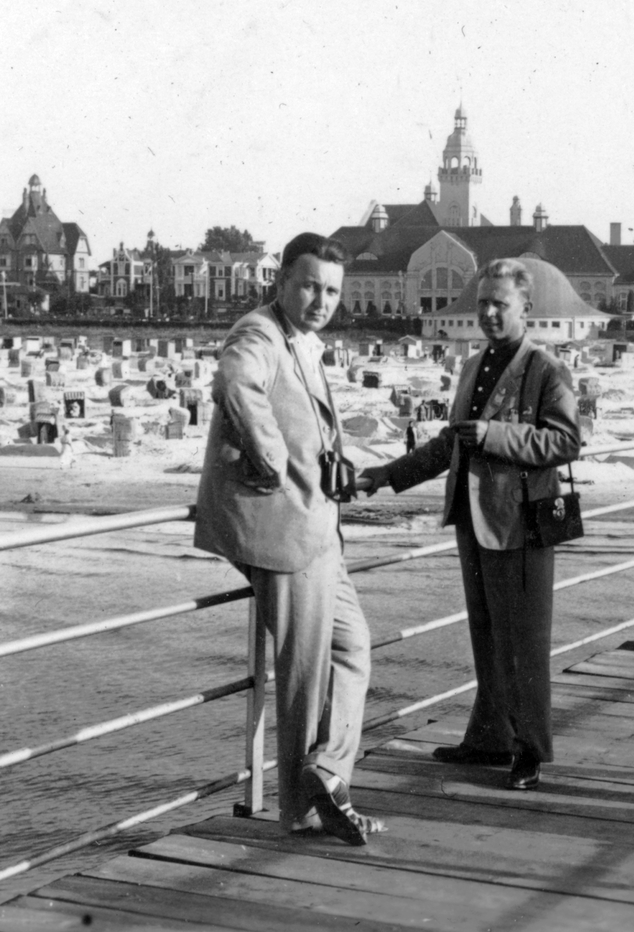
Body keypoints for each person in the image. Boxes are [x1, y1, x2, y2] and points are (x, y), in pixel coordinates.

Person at [359, 259, 581, 791]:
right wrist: (387, 475)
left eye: (499, 304)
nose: (487, 313)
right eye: (482, 302)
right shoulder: (472, 365)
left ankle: (529, 749)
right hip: (471, 515)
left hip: (520, 521)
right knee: (485, 634)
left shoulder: (547, 370)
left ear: (525, 307)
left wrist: (494, 435)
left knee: (524, 640)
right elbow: (449, 444)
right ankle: (488, 739)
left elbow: (566, 442)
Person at [192, 232, 382, 846]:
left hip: (315, 524)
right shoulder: (259, 332)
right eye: (308, 285)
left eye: (331, 290)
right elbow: (236, 382)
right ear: (282, 281)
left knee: (352, 648)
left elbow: (303, 420)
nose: (320, 299)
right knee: (303, 670)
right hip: (281, 526)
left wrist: (332, 463)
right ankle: (301, 809)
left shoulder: (305, 341)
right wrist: (272, 461)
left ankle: (326, 772)